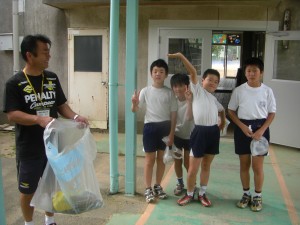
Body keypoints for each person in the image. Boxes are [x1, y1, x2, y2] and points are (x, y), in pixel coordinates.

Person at [3, 34, 88, 225]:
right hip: (29, 148)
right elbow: (12, 114)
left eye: (49, 52)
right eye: (44, 52)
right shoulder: (14, 83)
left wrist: (75, 116)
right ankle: (29, 223)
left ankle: (50, 221)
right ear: (29, 55)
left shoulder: (51, 78)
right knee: (27, 191)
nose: (49, 56)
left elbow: (61, 105)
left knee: (51, 185)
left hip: (53, 146)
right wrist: (38, 119)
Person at [171, 53, 225, 207]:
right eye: (210, 80)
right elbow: (193, 72)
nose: (213, 83)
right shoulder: (197, 91)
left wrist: (222, 122)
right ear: (202, 81)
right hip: (199, 132)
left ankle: (202, 193)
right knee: (193, 167)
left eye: (216, 82)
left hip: (213, 133)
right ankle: (189, 194)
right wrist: (181, 56)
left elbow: (222, 110)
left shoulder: (214, 99)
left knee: (206, 165)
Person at [228, 57, 276, 212]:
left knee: (257, 166)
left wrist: (261, 130)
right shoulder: (239, 90)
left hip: (261, 129)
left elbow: (271, 113)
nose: (251, 73)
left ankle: (257, 196)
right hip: (243, 128)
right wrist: (241, 126)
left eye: (255, 70)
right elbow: (231, 111)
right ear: (245, 73)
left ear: (261, 73)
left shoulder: (267, 91)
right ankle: (246, 193)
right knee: (244, 164)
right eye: (248, 70)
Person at [131, 59, 177, 203]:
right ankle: (147, 188)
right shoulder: (145, 91)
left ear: (166, 75)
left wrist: (171, 133)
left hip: (165, 127)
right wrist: (134, 104)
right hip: (150, 128)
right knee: (149, 159)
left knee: (161, 159)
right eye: (155, 71)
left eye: (161, 71)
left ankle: (158, 186)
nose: (158, 74)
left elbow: (174, 115)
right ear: (151, 74)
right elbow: (135, 110)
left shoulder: (170, 93)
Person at [168, 72, 193, 196]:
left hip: (190, 137)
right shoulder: (173, 101)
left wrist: (189, 101)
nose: (178, 89)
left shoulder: (193, 100)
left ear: (187, 86)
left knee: (188, 163)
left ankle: (190, 184)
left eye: (181, 86)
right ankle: (180, 183)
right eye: (175, 86)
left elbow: (189, 118)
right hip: (177, 136)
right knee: (177, 161)